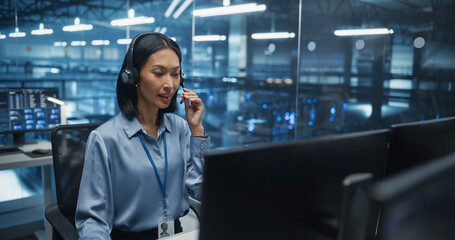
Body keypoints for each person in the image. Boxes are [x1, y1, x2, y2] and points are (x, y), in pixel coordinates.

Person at [75, 32, 210, 240]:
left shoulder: (182, 129)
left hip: (178, 234)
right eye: (158, 73)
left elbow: (201, 191)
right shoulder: (105, 139)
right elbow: (93, 221)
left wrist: (197, 131)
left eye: (175, 74)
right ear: (133, 77)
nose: (170, 84)